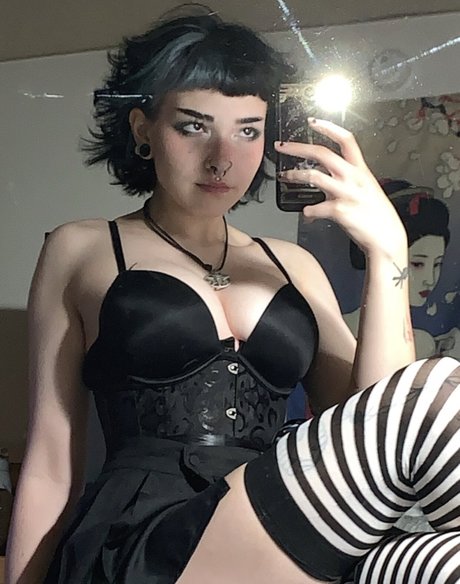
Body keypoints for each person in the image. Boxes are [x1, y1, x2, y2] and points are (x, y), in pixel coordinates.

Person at [5, 8, 459, 584]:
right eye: (193, 126)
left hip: (276, 537)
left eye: (248, 130)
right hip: (146, 543)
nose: (222, 157)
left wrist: (388, 248)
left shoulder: (293, 265)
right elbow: (49, 464)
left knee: (442, 564)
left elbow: (379, 417)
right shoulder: (83, 248)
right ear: (143, 130)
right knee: (438, 389)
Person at [345, 179, 455, 359]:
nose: (429, 279)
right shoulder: (341, 330)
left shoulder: (424, 342)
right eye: (417, 264)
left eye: (437, 264)